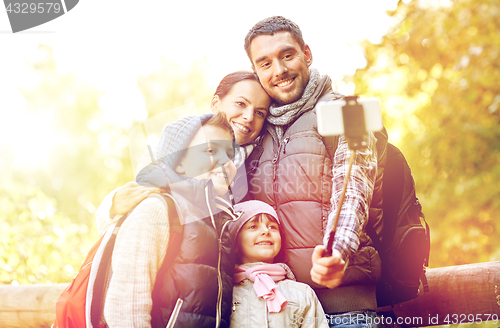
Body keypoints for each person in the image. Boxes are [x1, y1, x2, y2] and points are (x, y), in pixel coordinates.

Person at [244, 16, 388, 327]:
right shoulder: (254, 130)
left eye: (287, 55)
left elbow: (353, 191)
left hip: (345, 311)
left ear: (306, 54)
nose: (279, 71)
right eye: (265, 63)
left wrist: (339, 252)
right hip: (280, 308)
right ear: (256, 72)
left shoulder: (345, 111)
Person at [99, 112, 239, 328]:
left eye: (229, 154)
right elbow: (125, 310)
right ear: (179, 163)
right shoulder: (157, 209)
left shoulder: (216, 220)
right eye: (210, 151)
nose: (224, 161)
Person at [95, 71, 271, 234]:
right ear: (215, 104)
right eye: (241, 104)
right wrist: (113, 205)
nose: (248, 117)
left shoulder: (260, 161)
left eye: (259, 113)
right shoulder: (175, 147)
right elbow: (134, 204)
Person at [228, 200, 329, 328]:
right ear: (235, 242)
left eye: (272, 227)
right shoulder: (223, 293)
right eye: (253, 226)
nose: (266, 231)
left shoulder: (302, 293)